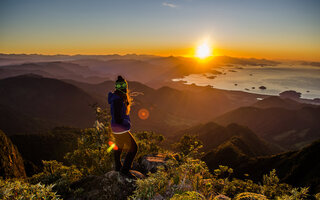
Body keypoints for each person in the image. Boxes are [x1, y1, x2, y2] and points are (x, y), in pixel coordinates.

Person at [108, 75, 138, 178]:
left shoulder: (117, 97)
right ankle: (124, 170)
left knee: (119, 146)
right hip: (120, 128)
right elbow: (117, 116)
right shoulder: (117, 99)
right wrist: (122, 122)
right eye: (123, 86)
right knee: (134, 148)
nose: (124, 88)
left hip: (116, 128)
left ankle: (117, 166)